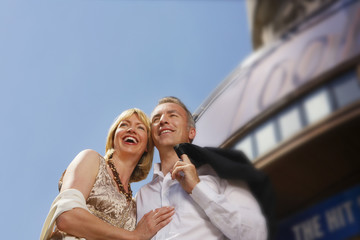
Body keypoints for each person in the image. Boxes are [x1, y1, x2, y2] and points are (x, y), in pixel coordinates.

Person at [136, 97, 269, 240]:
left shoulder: (221, 175)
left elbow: (257, 234)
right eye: (156, 119)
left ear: (191, 133)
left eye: (173, 115)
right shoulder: (142, 196)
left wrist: (197, 188)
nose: (163, 120)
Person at [40, 108, 174, 240]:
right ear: (113, 136)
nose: (131, 130)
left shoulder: (135, 206)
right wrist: (133, 236)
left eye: (140, 128)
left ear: (147, 146)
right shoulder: (91, 160)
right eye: (124, 125)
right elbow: (67, 216)